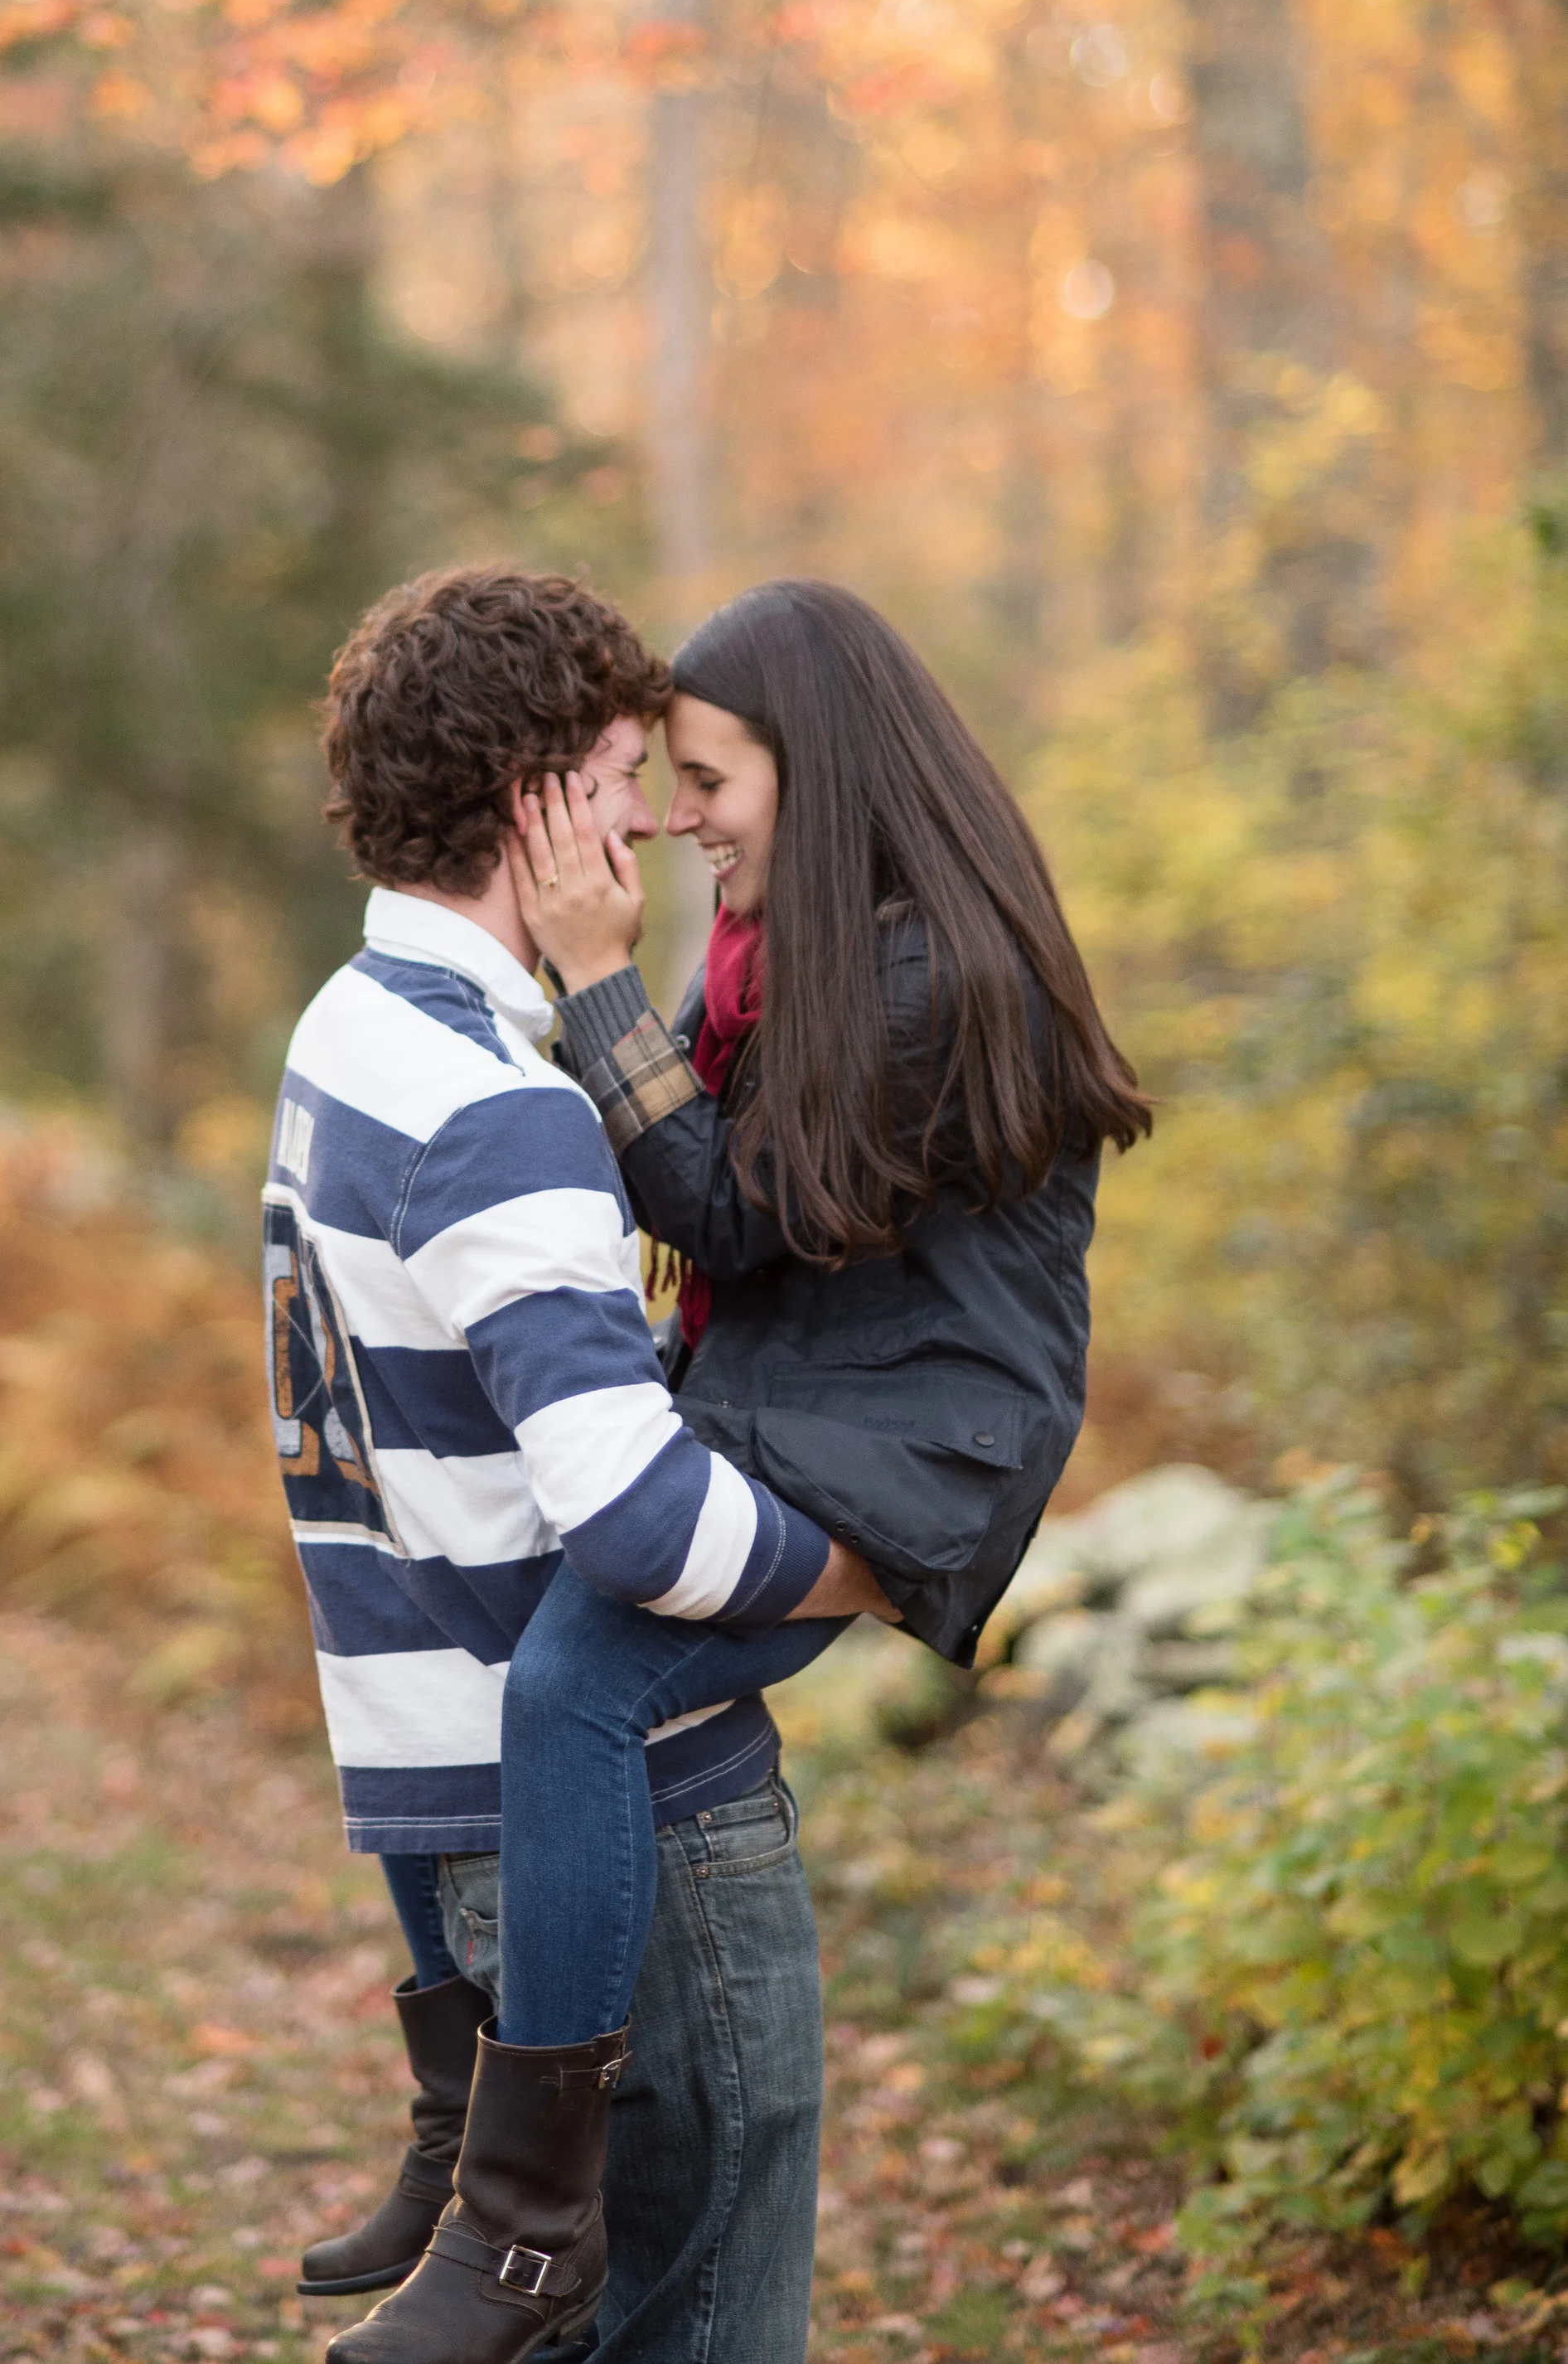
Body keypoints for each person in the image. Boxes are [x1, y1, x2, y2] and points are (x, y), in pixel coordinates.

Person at [350, 577, 1149, 2359]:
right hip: (800, 1394)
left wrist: (587, 979)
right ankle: (465, 2130)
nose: (679, 819)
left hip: (908, 1439)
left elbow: (727, 1207)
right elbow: (721, 1195)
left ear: (820, 765)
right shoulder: (802, 946)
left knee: (570, 1678)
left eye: (709, 780)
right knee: (474, 1596)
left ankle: (523, 2211)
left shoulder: (929, 975)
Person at [265, 565, 891, 2364]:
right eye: (623, 778)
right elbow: (635, 1520)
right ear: (536, 802)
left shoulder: (347, 1035)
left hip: (470, 1824)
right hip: (642, 1850)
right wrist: (866, 1557)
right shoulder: (502, 1111)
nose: (651, 823)